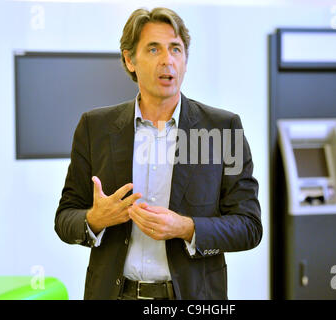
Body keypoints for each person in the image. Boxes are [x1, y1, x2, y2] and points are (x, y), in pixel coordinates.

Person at [54, 7, 262, 300]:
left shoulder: (223, 128)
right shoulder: (95, 127)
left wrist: (186, 228)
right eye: (153, 49)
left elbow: (249, 226)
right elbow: (65, 218)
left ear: (185, 60)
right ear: (129, 60)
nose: (168, 60)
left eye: (175, 49)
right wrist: (95, 219)